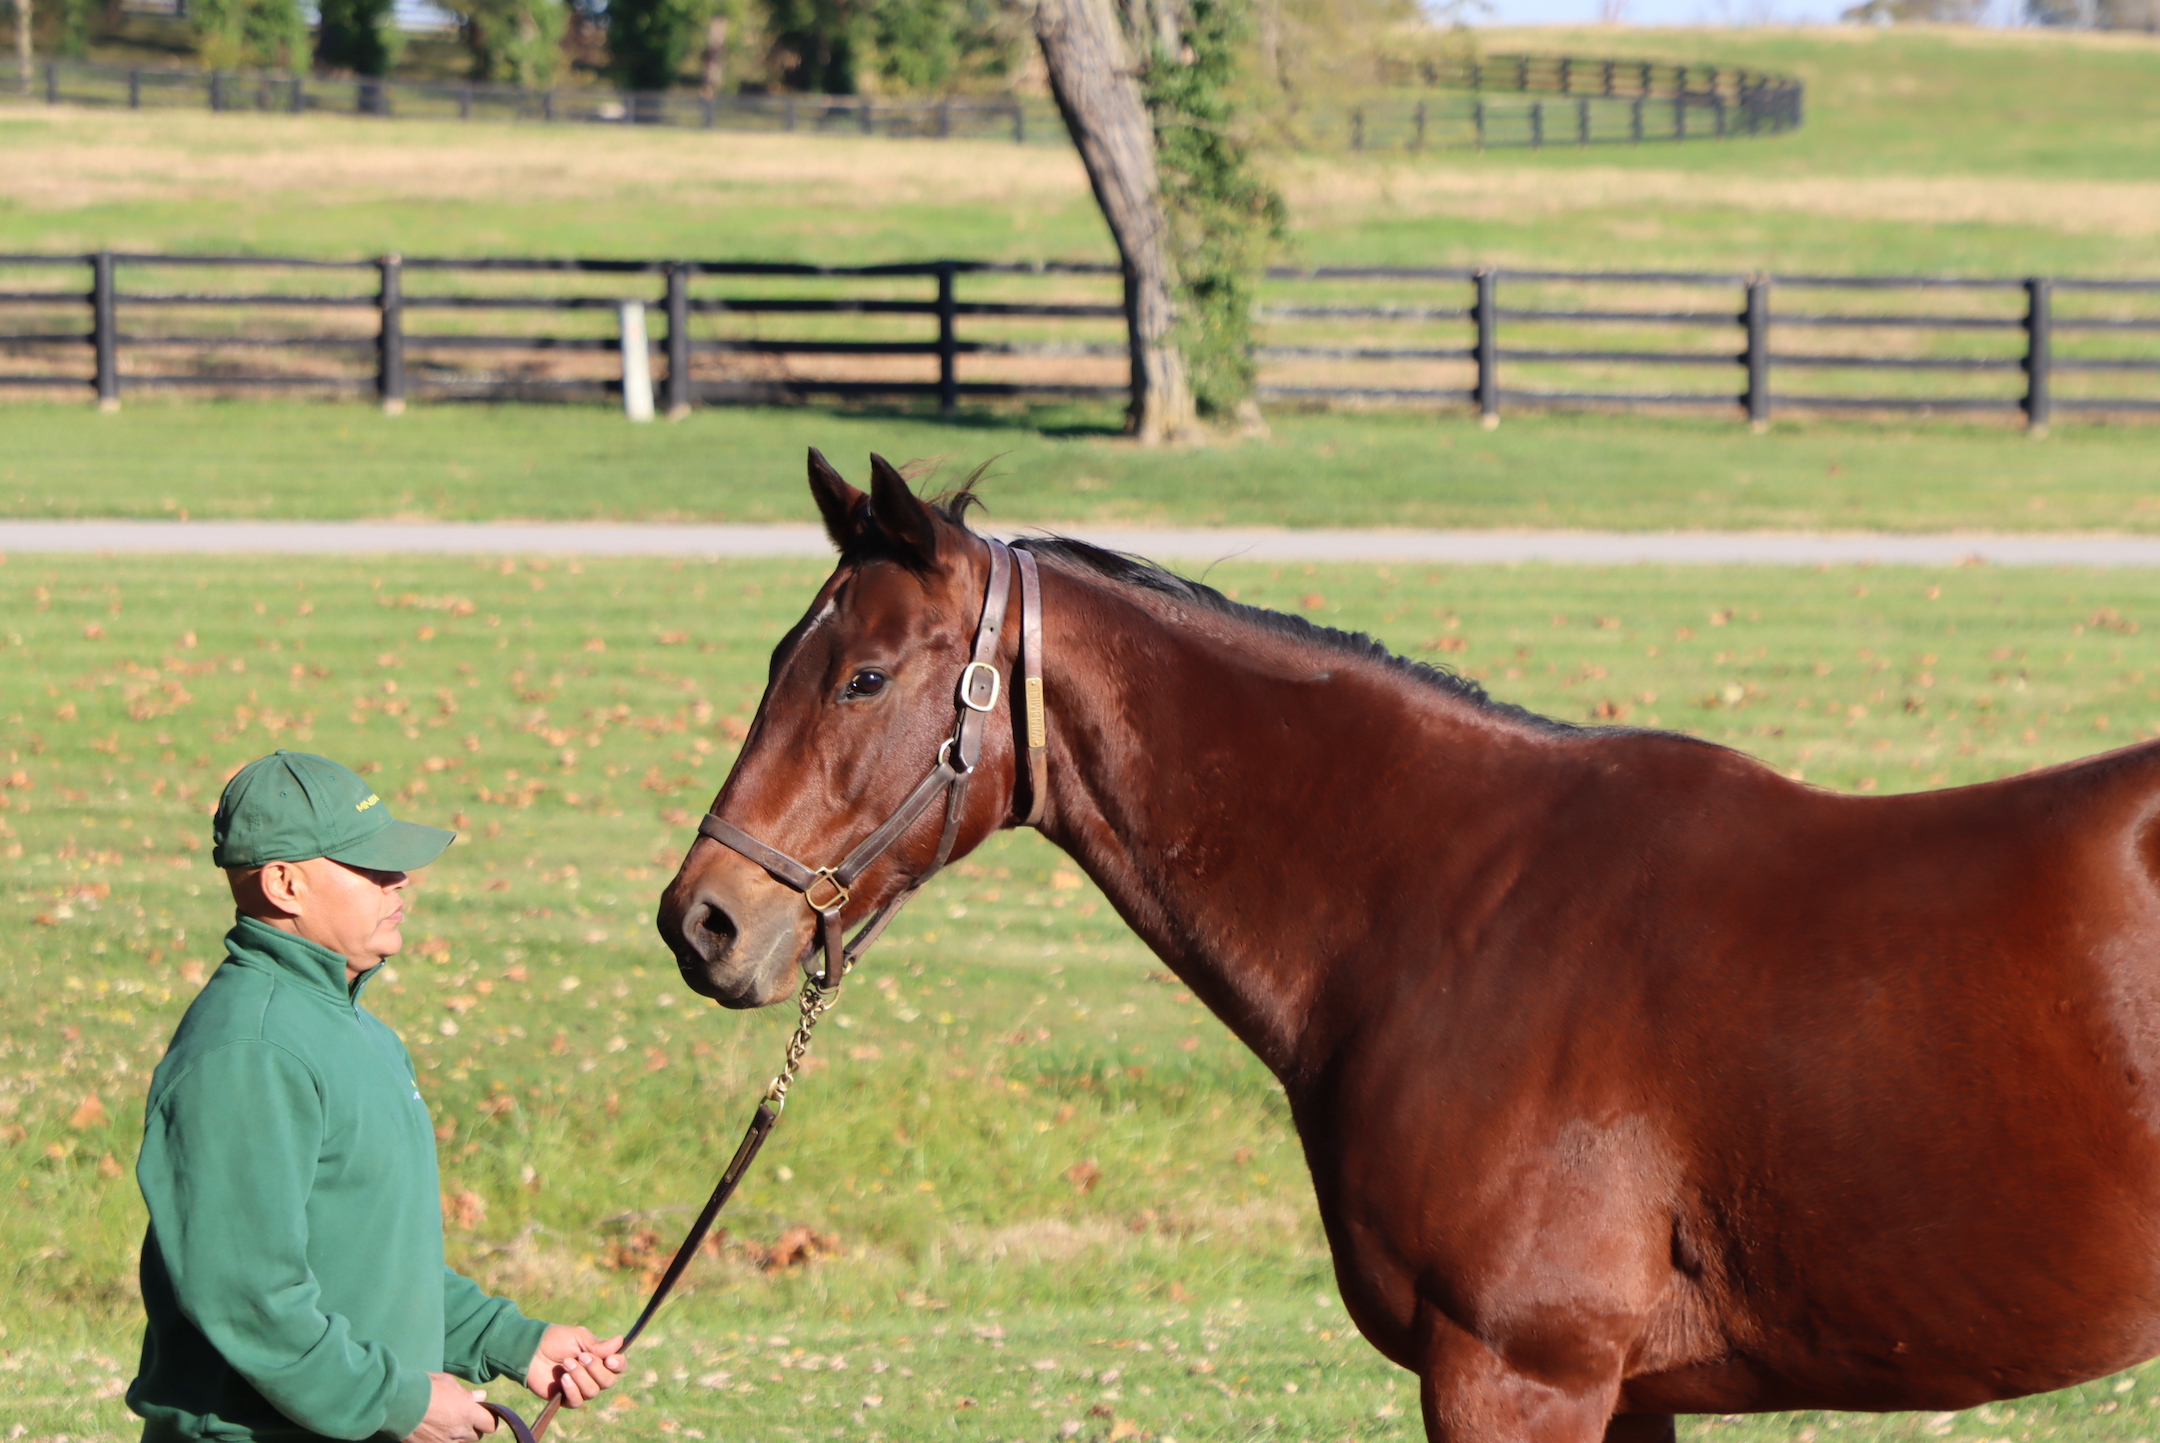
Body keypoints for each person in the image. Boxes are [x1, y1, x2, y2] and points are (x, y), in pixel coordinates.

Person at [128, 750, 628, 1443]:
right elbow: (250, 1300)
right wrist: (398, 1402)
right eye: (369, 867)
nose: (400, 881)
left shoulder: (359, 1032)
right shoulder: (249, 1051)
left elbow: (369, 1264)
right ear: (284, 883)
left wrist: (514, 1340)